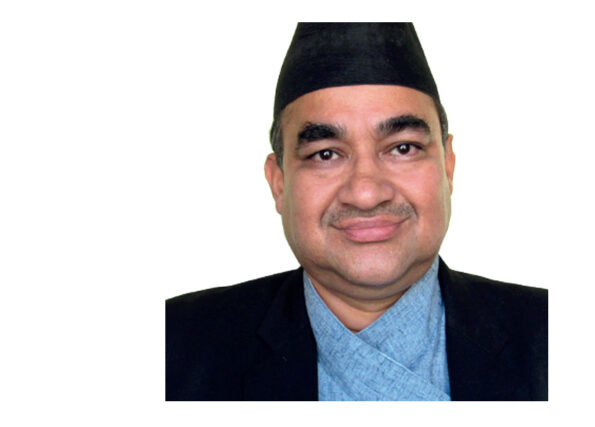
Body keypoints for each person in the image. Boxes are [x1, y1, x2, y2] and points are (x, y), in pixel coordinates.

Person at [166, 23, 547, 401]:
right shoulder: (173, 342)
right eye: (325, 154)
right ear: (278, 182)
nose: (366, 194)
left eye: (403, 148)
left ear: (447, 167)